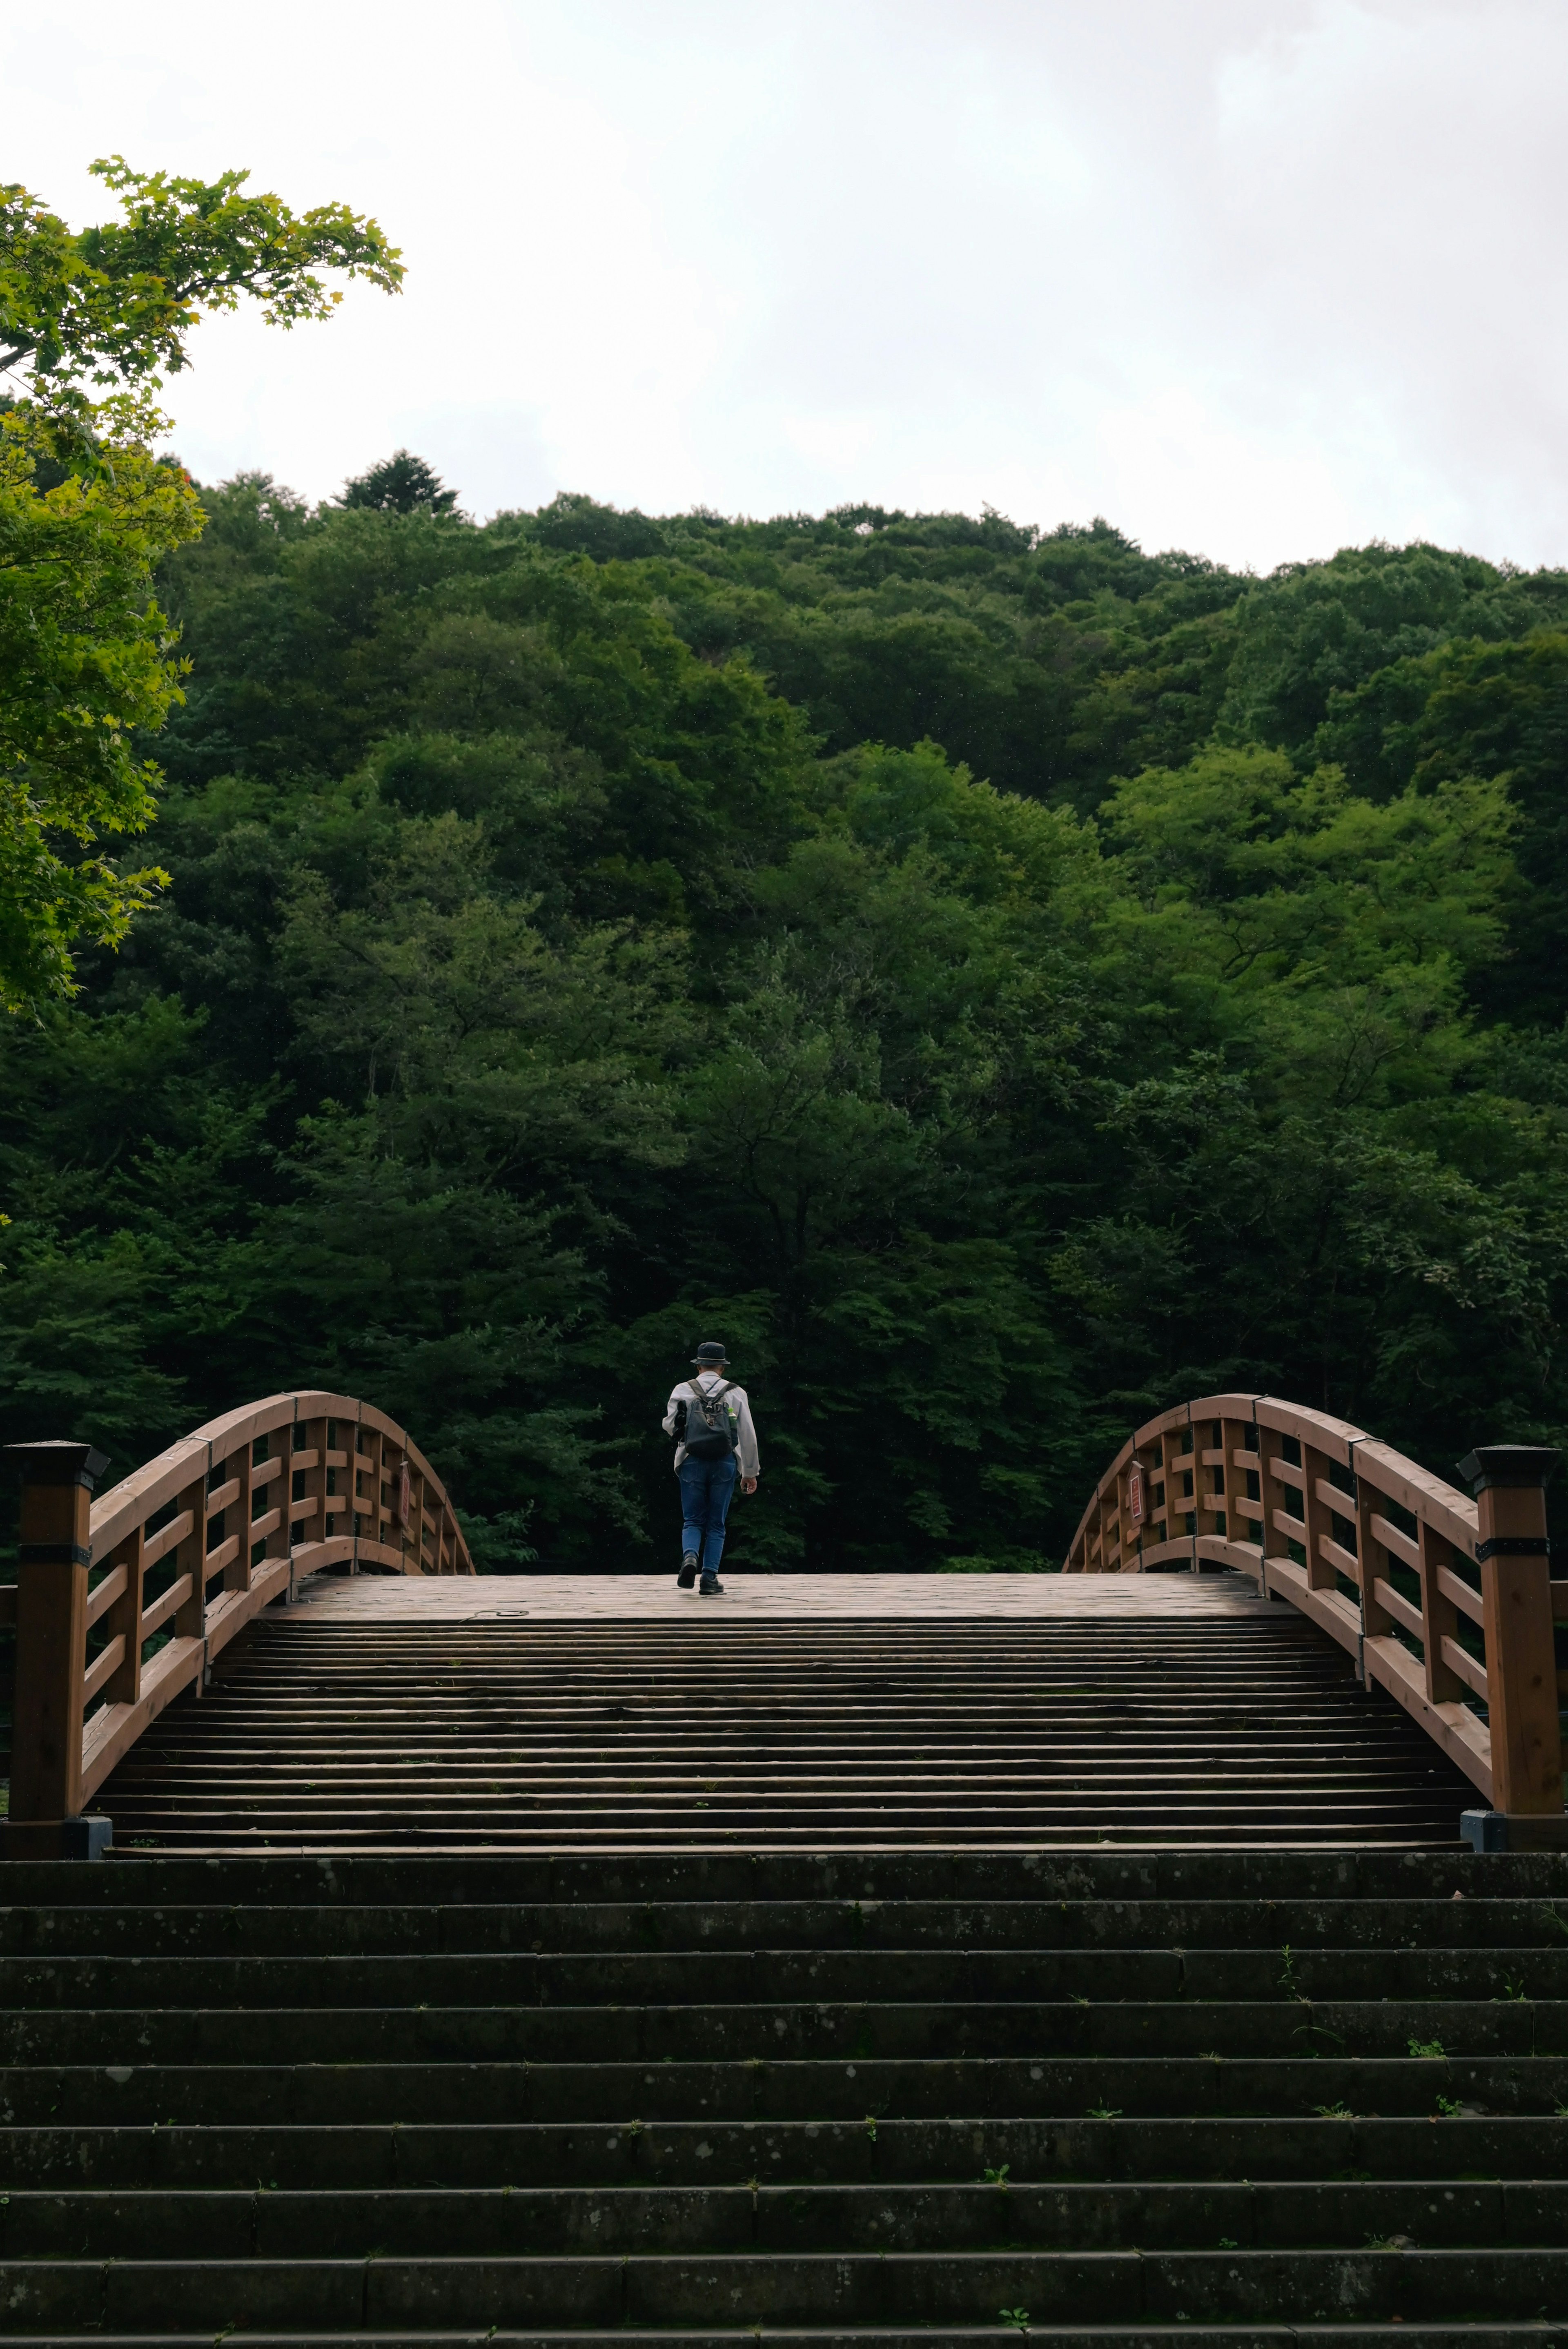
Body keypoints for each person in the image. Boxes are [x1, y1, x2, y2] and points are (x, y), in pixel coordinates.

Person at [663, 1341, 760, 1594]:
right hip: (725, 1461)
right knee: (717, 1523)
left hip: (691, 1460)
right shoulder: (736, 1392)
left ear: (698, 1366)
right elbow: (747, 1434)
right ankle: (709, 1578)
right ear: (722, 1368)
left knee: (693, 1519)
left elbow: (670, 1427)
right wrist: (750, 1472)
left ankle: (690, 1557)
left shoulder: (683, 1390)